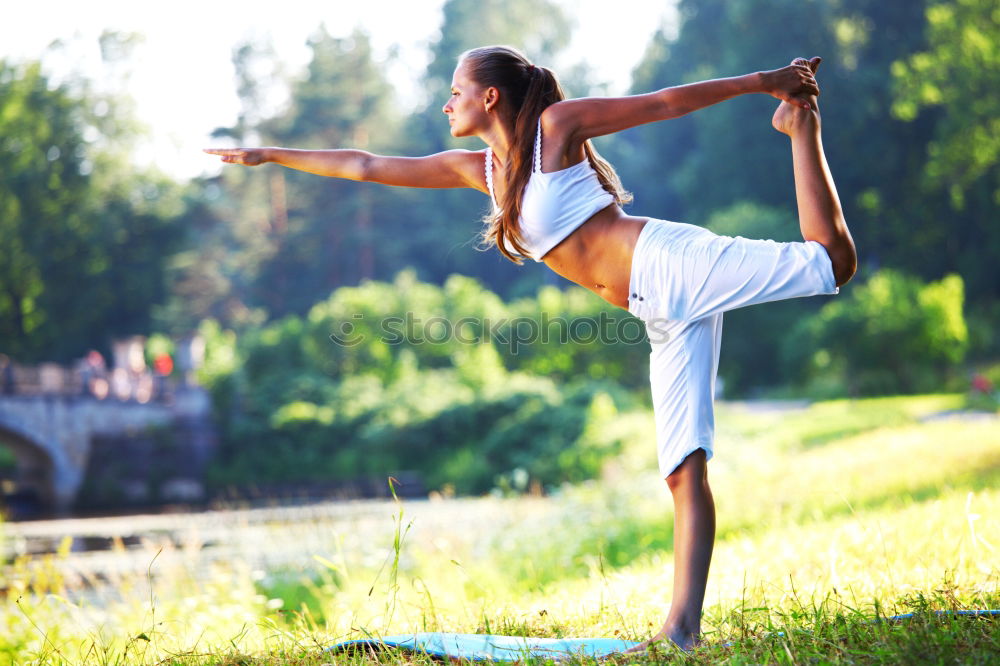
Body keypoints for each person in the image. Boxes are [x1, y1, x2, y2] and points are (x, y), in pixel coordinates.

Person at [205, 45, 857, 653]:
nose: (446, 103)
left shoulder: (557, 128)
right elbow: (367, 165)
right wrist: (270, 156)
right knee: (683, 468)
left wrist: (765, 83)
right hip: (653, 309)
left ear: (490, 98)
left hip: (668, 263)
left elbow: (660, 103)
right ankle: (681, 633)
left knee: (831, 263)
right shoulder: (482, 171)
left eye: (455, 91)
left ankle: (802, 131)